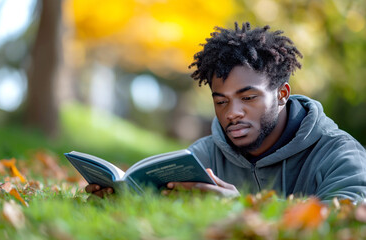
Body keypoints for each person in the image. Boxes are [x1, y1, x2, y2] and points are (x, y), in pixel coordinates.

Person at [86, 22, 366, 201]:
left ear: (282, 95)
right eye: (221, 102)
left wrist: (243, 207)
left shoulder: (340, 155)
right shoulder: (203, 157)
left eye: (248, 97)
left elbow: (347, 223)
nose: (233, 113)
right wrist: (121, 199)